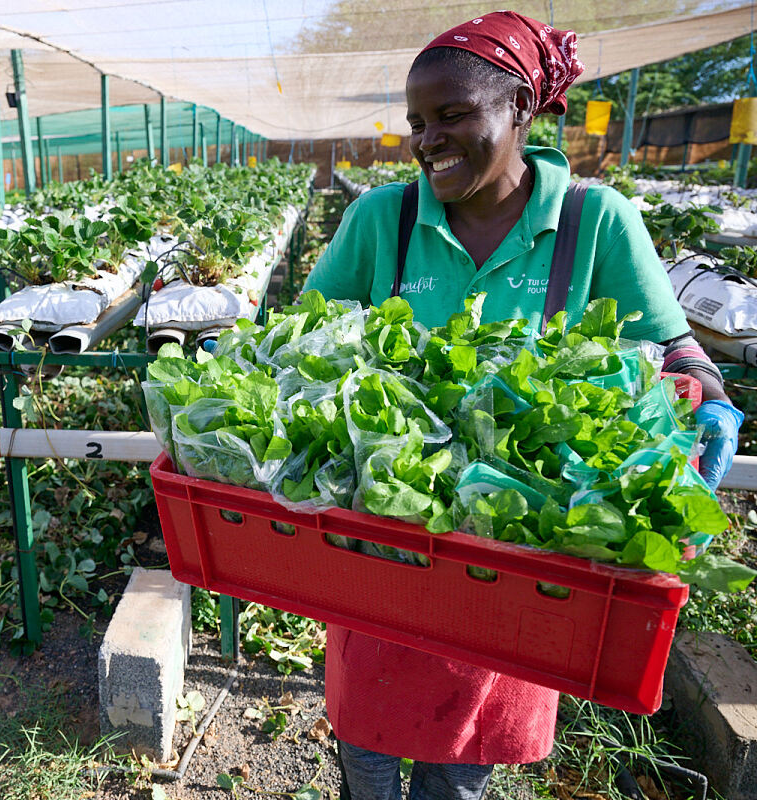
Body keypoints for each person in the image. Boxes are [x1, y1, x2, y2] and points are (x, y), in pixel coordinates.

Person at [301, 11, 743, 800]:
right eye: (417, 123)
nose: (427, 139)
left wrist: (707, 397)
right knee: (364, 741)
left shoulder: (593, 222)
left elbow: (677, 350)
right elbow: (299, 344)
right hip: (384, 540)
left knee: (463, 760)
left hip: (519, 557)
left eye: (452, 115)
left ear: (523, 112)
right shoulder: (383, 219)